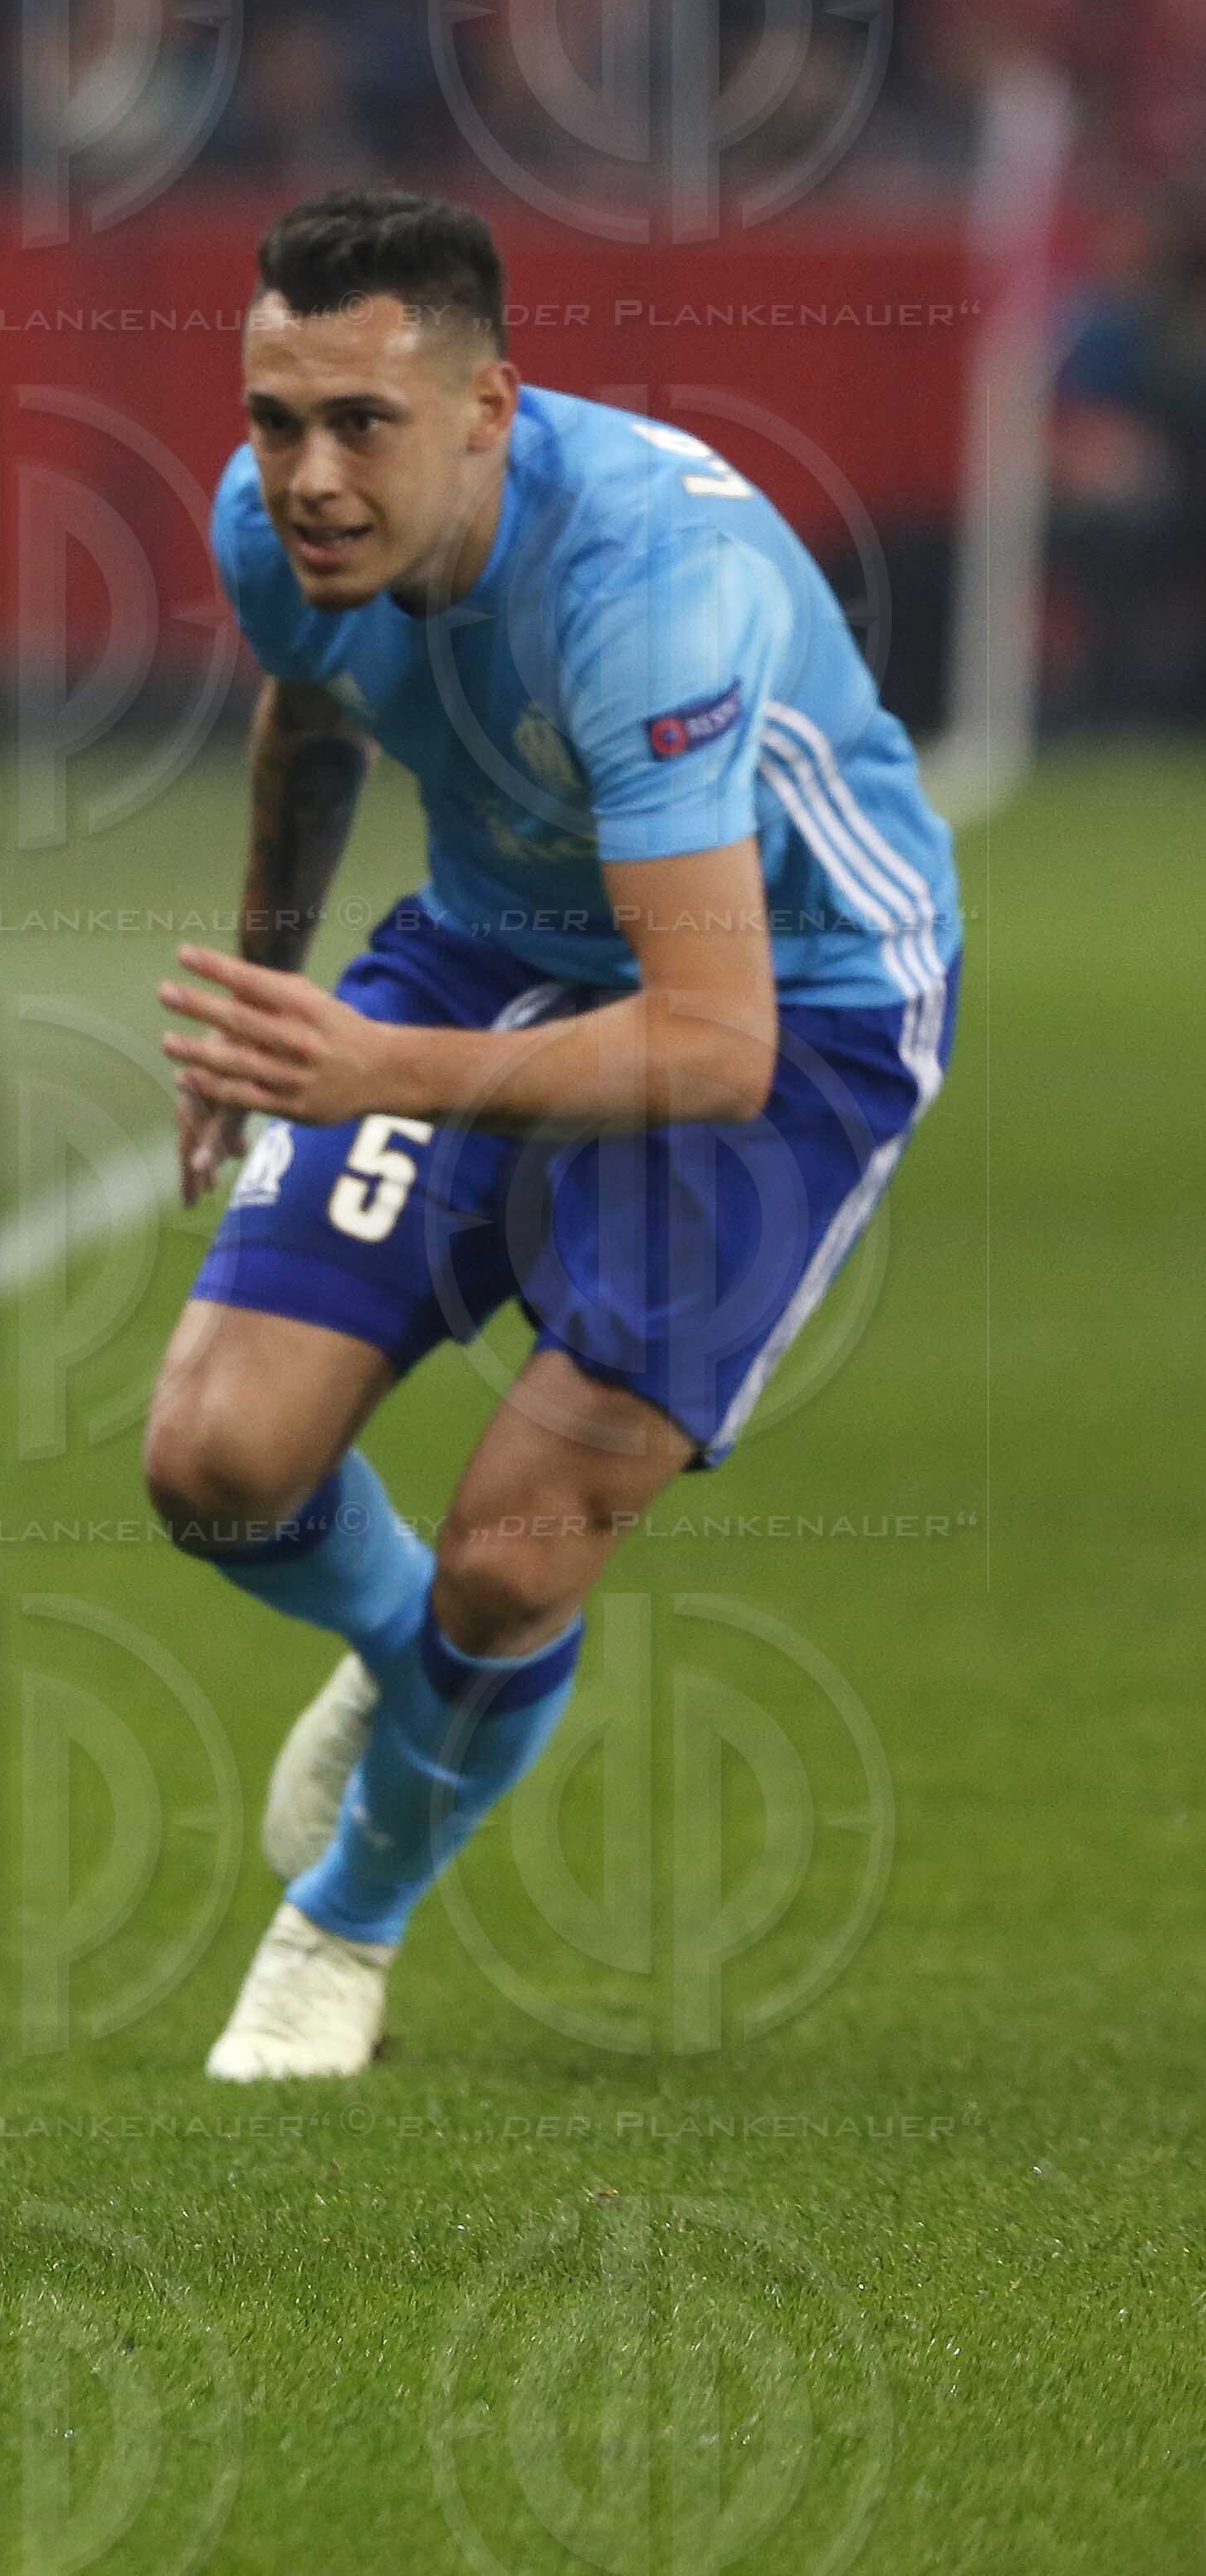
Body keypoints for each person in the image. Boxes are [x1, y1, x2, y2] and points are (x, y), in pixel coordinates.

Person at [144, 190, 962, 2080]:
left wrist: (376, 1070)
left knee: (516, 1554)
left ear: (489, 409)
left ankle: (342, 1922)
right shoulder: (270, 531)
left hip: (805, 1000)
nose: (309, 477)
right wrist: (274, 1010)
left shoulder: (644, 601)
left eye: (365, 424)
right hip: (493, 944)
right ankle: (417, 1655)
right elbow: (311, 713)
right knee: (217, 1458)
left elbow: (712, 1040)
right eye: (278, 420)